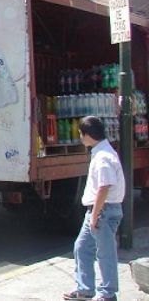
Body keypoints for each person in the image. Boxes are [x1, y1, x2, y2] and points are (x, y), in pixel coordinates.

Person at [63, 115, 126, 301]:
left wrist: (95, 214)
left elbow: (104, 186)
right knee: (81, 247)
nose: (80, 138)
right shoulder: (101, 152)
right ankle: (84, 289)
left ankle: (107, 293)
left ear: (88, 135)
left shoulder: (103, 157)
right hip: (97, 211)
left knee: (105, 252)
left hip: (103, 211)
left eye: (81, 134)